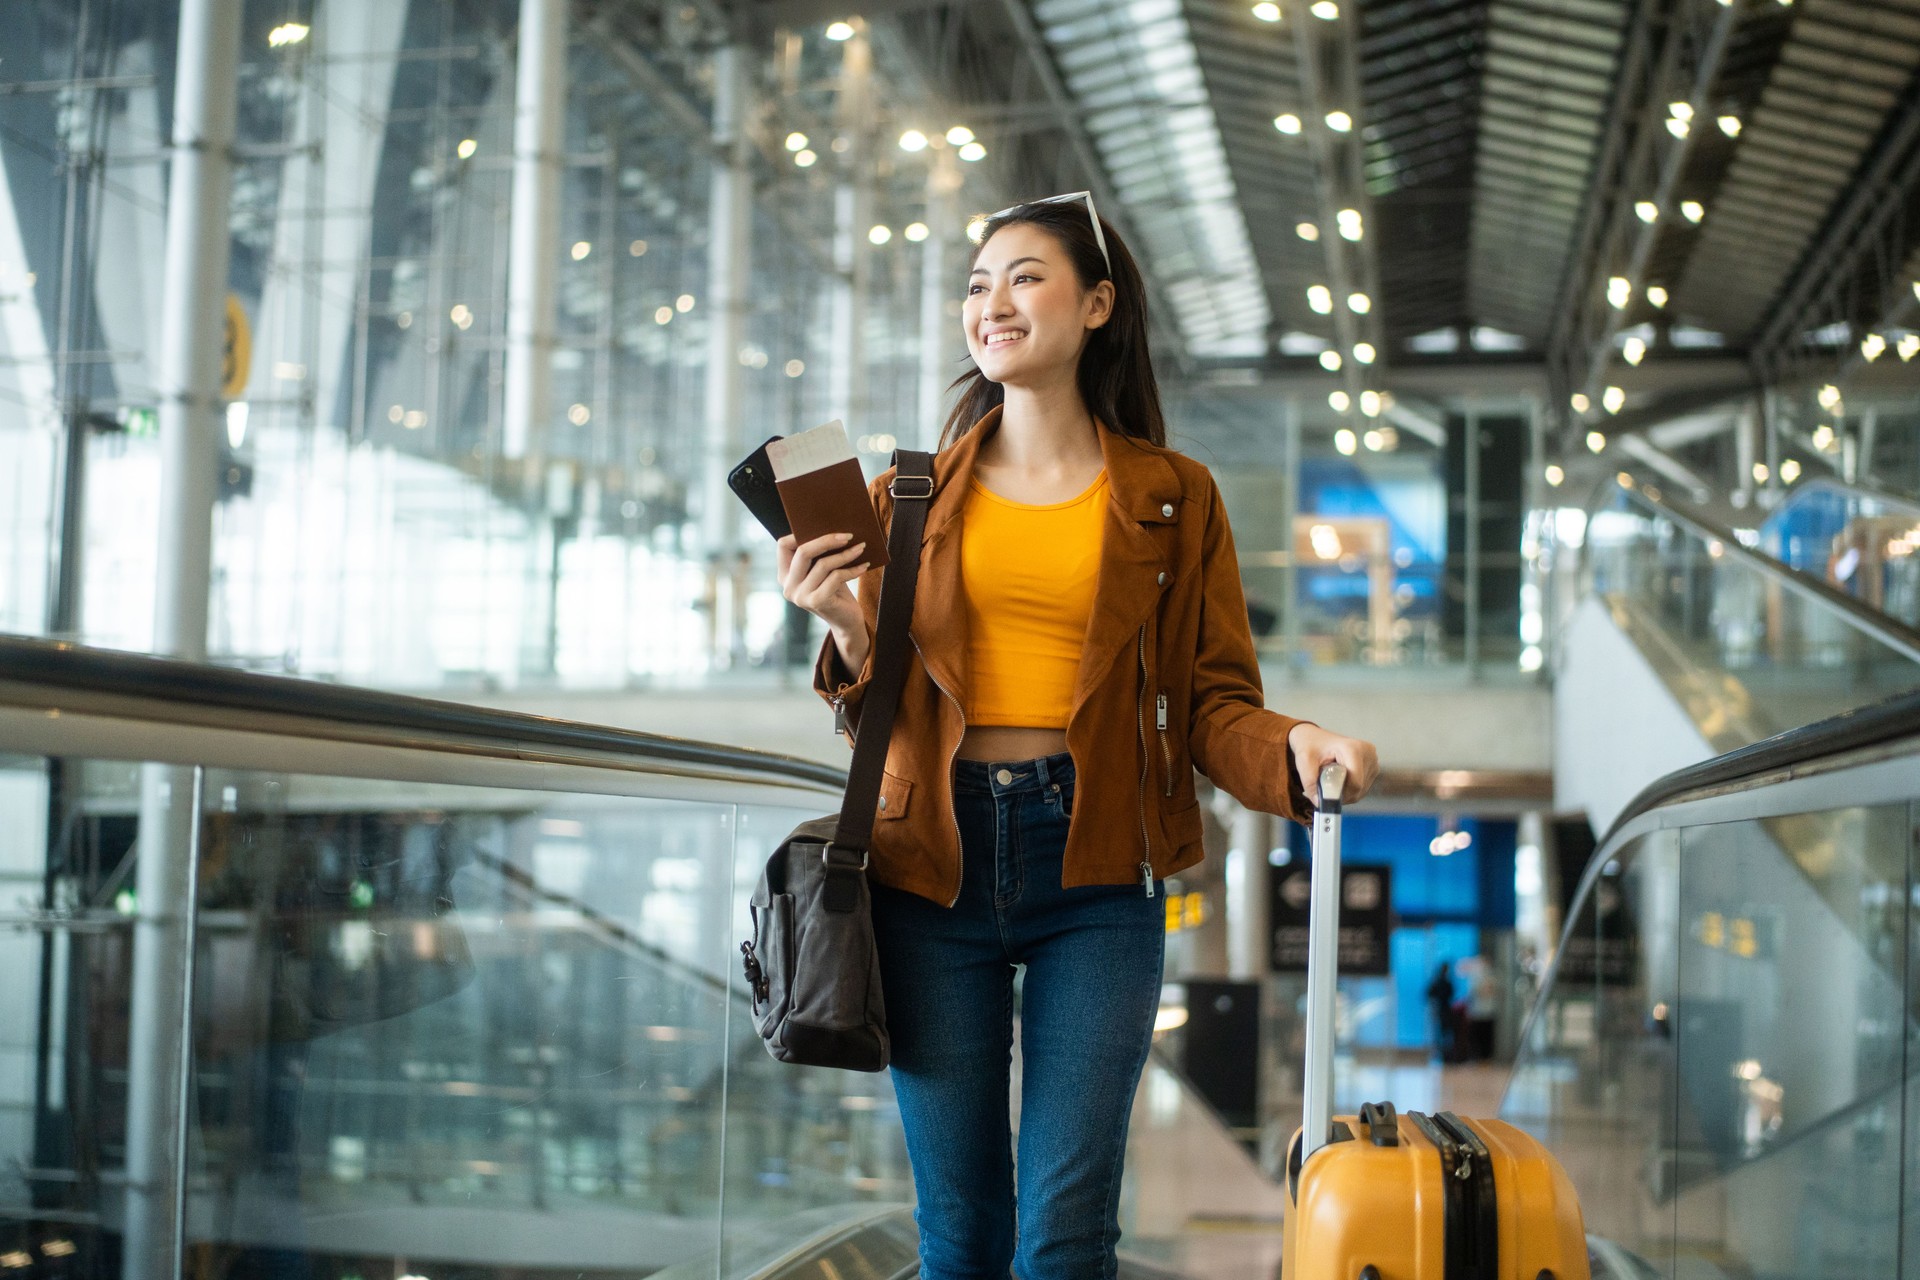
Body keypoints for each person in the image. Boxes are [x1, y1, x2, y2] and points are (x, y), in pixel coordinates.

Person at [777, 192, 1379, 1280]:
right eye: (975, 283)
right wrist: (850, 629)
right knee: (960, 1236)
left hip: (1100, 868)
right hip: (928, 871)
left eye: (1023, 276)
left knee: (1064, 1235)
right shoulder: (903, 496)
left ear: (1098, 303)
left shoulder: (1174, 497)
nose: (991, 302)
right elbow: (878, 711)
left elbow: (1213, 702)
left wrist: (1292, 746)